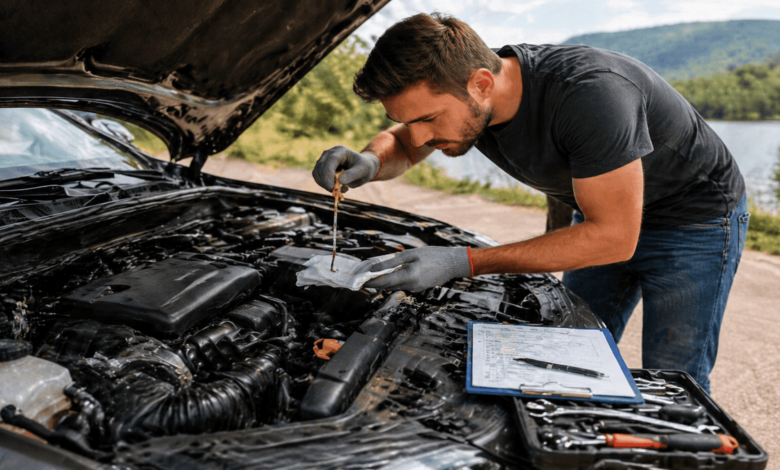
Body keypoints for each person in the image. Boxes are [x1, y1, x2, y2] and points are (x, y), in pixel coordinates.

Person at [311, 13, 748, 393]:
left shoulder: (589, 94)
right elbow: (405, 144)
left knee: (672, 378)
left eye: (428, 118)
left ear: (481, 83)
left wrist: (466, 261)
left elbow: (615, 238)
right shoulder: (467, 98)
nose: (422, 136)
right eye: (410, 119)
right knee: (571, 356)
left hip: (695, 222)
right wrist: (371, 160)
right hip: (602, 214)